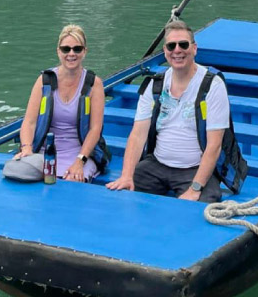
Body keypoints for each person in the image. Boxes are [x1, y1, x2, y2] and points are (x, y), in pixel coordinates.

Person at [106, 20, 247, 203]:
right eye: (171, 46)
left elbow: (214, 145)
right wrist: (126, 175)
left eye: (183, 44)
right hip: (157, 164)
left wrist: (195, 188)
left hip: (194, 168)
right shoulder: (154, 85)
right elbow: (138, 134)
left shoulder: (212, 85)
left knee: (203, 204)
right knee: (120, 197)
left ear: (194, 48)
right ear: (165, 51)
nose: (177, 50)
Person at [5, 24, 109, 183]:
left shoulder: (94, 84)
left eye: (77, 49)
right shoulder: (44, 80)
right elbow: (30, 121)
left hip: (79, 153)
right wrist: (27, 148)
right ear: (58, 51)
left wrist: (79, 162)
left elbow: (95, 129)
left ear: (84, 51)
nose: (71, 54)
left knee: (72, 182)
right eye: (66, 49)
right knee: (17, 171)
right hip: (46, 152)